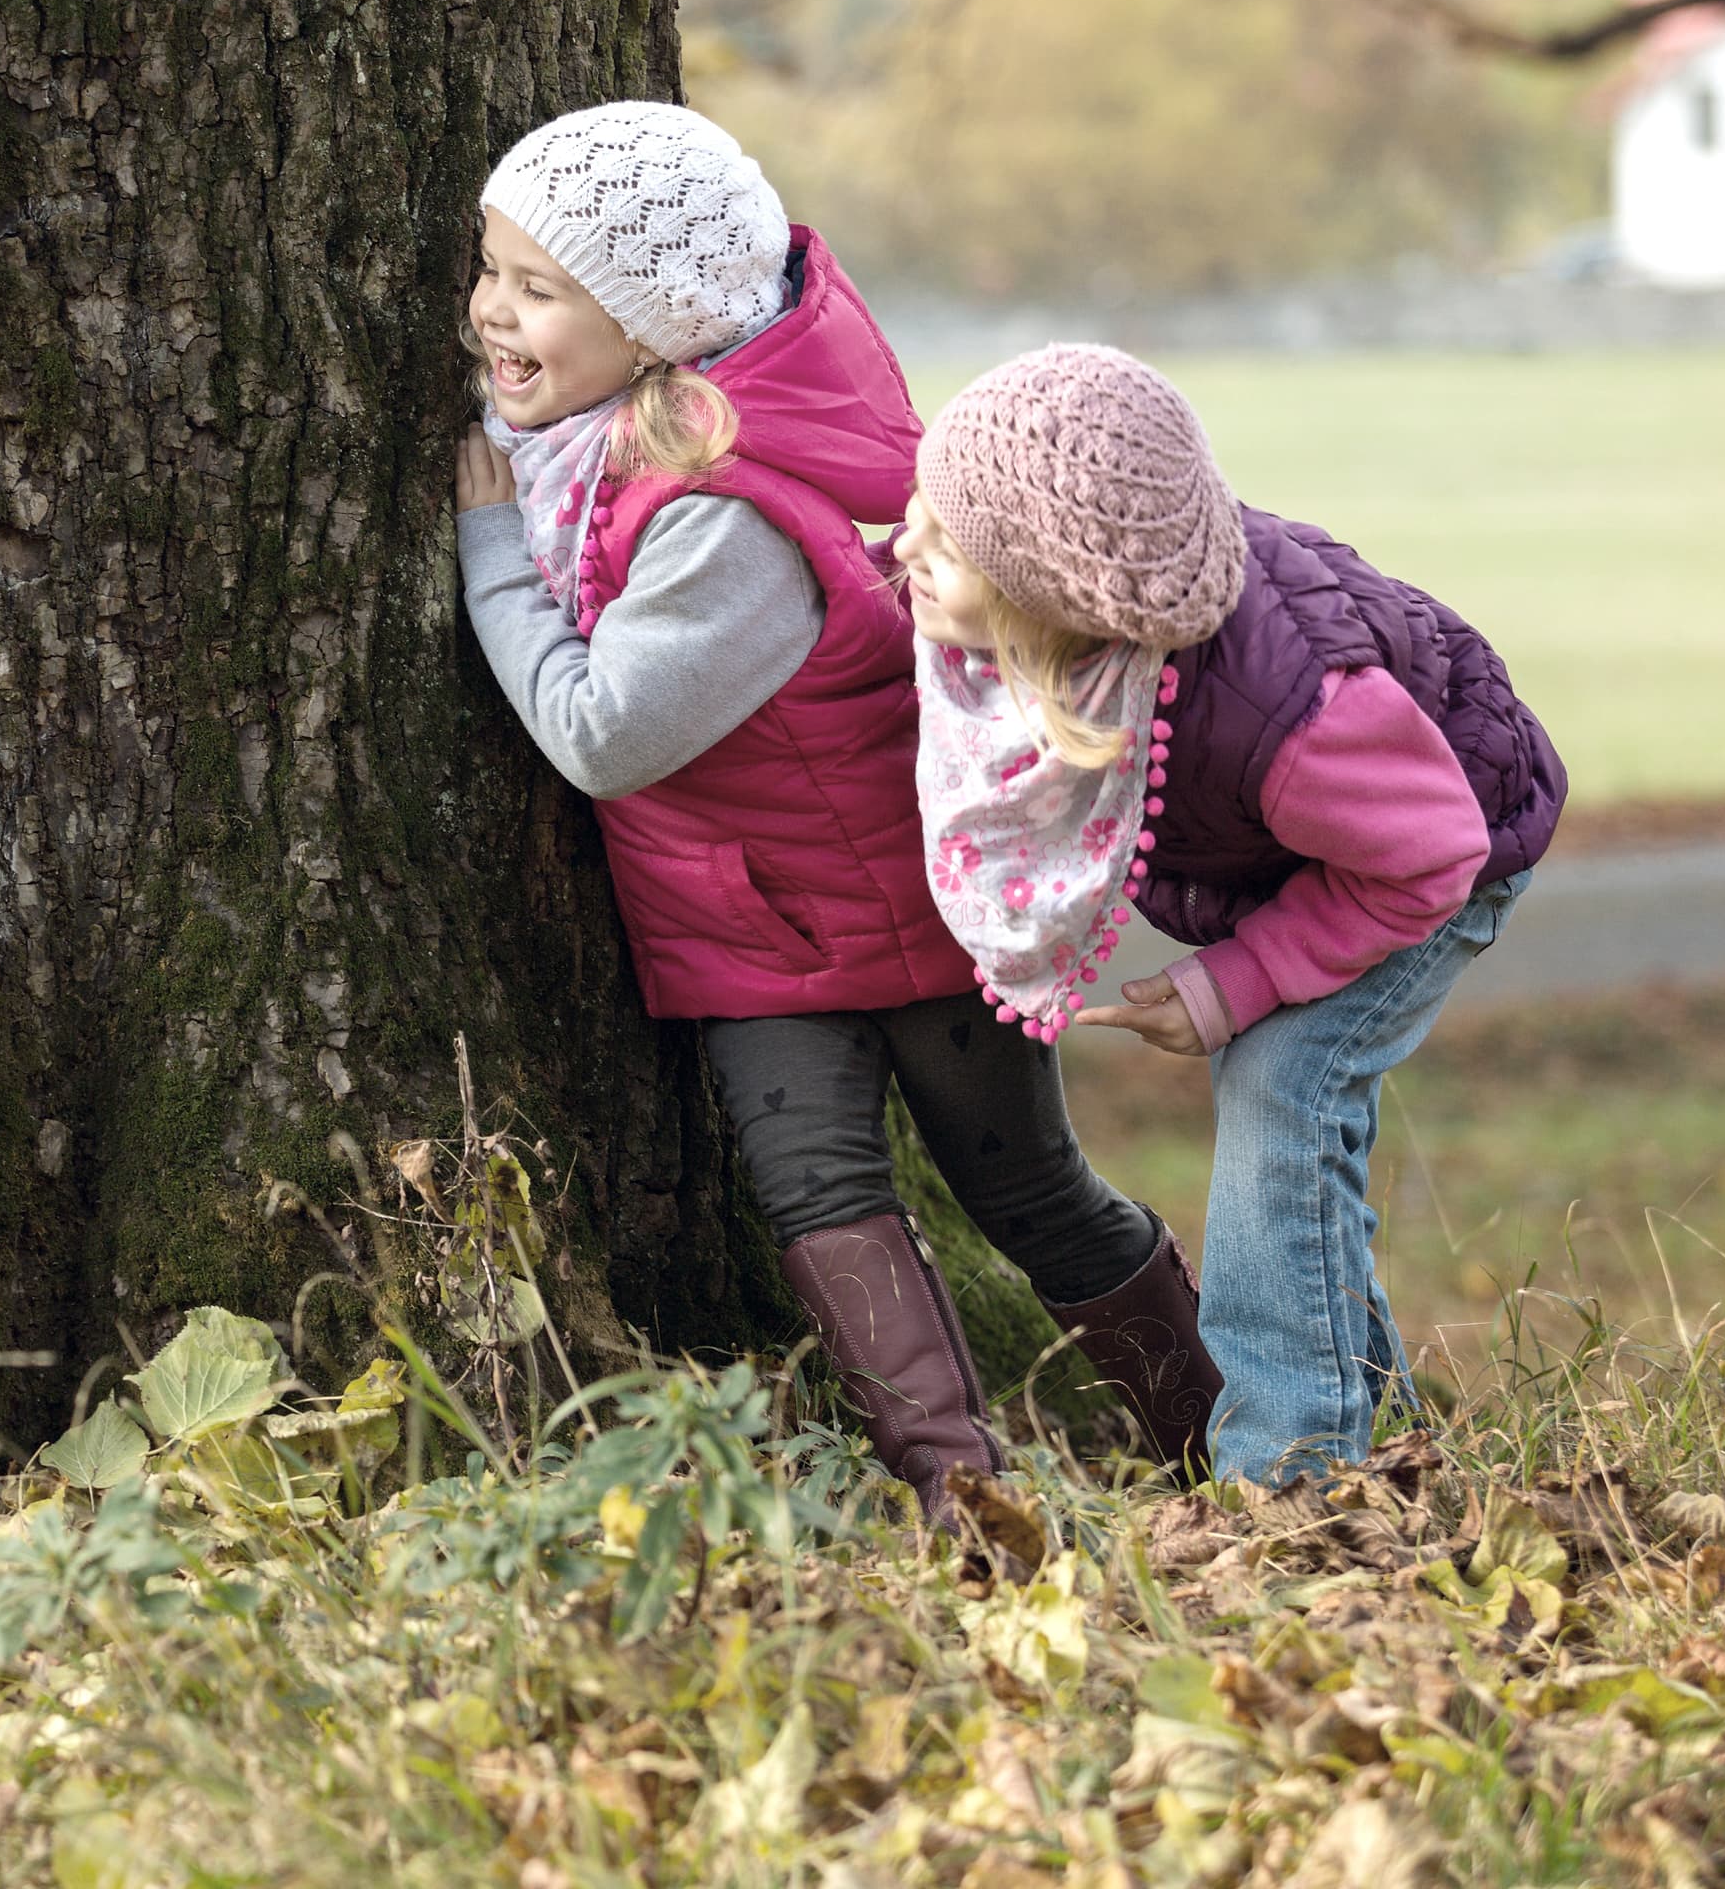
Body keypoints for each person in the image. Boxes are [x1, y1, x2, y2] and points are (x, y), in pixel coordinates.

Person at [450, 104, 1216, 1514]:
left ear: (656, 325)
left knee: (1030, 1191)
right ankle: (959, 1498)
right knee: (818, 1203)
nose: (491, 311)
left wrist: (487, 552)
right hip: (754, 924)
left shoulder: (716, 516)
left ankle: (1220, 1437)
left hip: (899, 916)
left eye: (540, 289)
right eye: (489, 268)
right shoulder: (601, 448)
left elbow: (605, 734)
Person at [894, 343, 1564, 1488]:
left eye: (943, 545)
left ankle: (1290, 1475)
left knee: (1277, 1082)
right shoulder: (1055, 632)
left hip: (1434, 856)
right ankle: (1389, 1439)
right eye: (917, 508)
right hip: (1326, 859)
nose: (902, 547)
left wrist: (1229, 985)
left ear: (1054, 604)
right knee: (1289, 1111)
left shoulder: (1294, 715)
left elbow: (1426, 862)